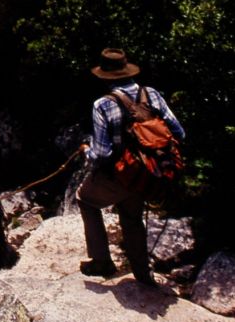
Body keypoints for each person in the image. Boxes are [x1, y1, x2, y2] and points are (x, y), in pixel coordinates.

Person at [75, 47, 184, 287]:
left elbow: (102, 153)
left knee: (85, 199)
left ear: (104, 76)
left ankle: (101, 260)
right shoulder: (151, 94)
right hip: (148, 172)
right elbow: (178, 132)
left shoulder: (103, 104)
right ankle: (143, 275)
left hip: (119, 173)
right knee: (132, 218)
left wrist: (87, 151)